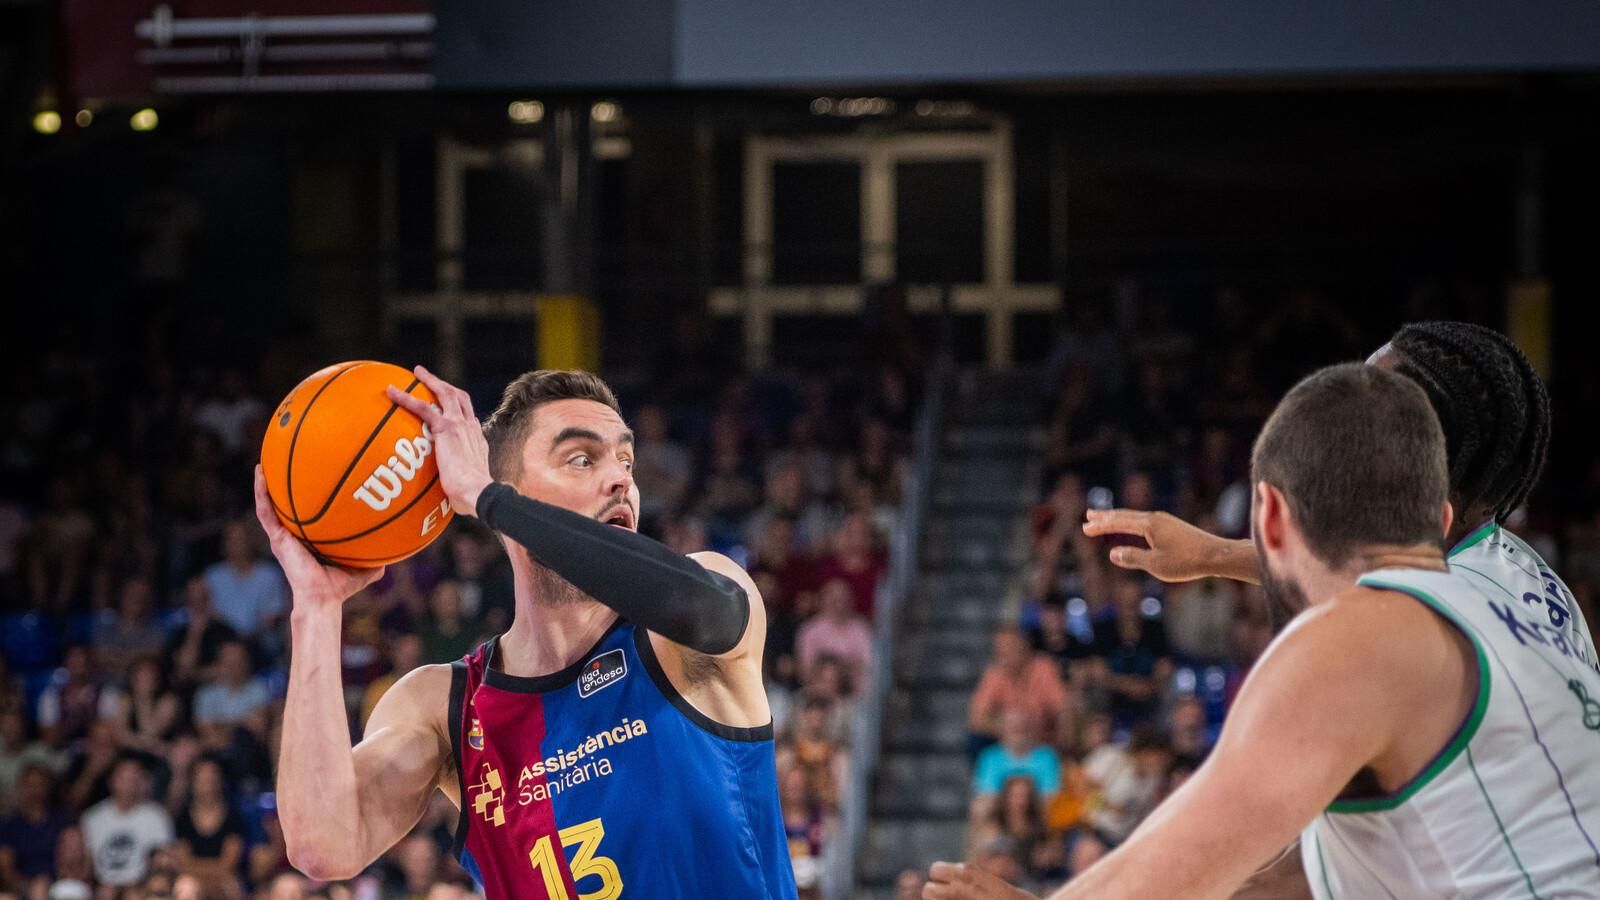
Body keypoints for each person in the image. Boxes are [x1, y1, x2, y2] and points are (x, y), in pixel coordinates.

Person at [924, 363, 1600, 899]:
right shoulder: (1523, 579)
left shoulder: (1350, 648)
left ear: (1269, 514)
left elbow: (1185, 859)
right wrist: (1217, 555)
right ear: (1440, 511)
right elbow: (1290, 879)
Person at [259, 367, 796, 898]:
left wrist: (490, 501)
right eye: (582, 458)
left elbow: (701, 610)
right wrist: (316, 608)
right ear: (508, 484)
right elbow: (322, 846)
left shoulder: (689, 619)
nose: (621, 479)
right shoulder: (445, 706)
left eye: (625, 459)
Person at [81, 757, 174, 889]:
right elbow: (85, 865)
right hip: (101, 888)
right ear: (110, 781)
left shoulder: (157, 817)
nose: (130, 784)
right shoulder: (92, 818)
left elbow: (164, 862)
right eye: (124, 778)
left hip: (142, 888)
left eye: (134, 778)